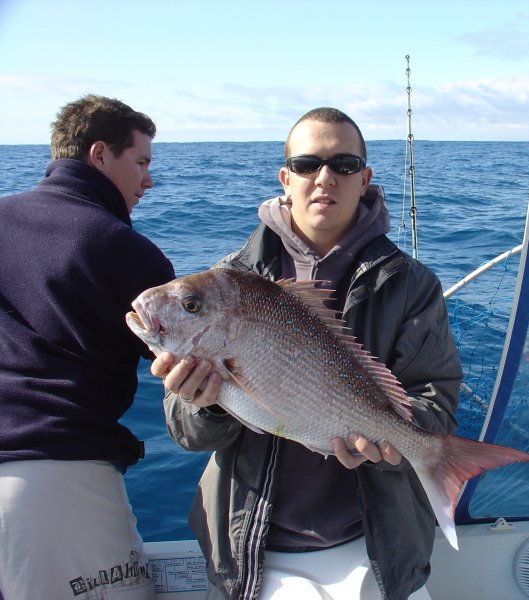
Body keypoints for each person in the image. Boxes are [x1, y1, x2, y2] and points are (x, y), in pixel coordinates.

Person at [153, 107, 463, 600]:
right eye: (306, 164)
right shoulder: (228, 281)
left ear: (364, 178)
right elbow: (187, 433)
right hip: (253, 550)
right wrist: (200, 403)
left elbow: (435, 400)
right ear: (285, 178)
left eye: (343, 164)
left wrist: (390, 449)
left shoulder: (410, 285)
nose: (324, 178)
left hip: (372, 548)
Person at [0, 95, 176, 599]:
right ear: (100, 155)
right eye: (141, 162)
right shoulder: (124, 250)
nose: (148, 180)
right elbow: (196, 372)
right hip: (54, 482)